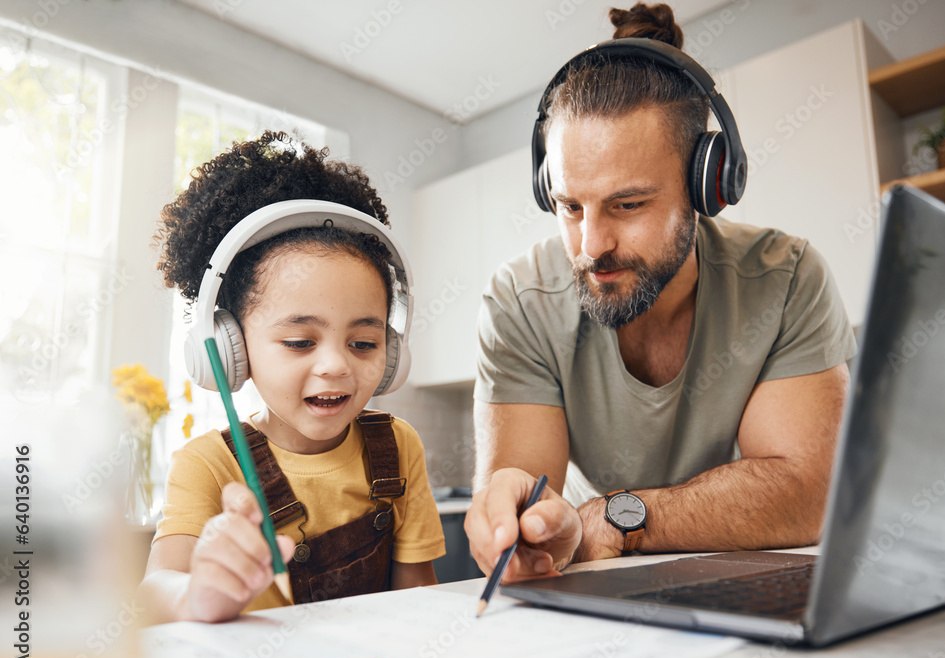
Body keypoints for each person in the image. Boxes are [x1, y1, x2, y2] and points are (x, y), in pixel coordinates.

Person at [465, 3, 856, 583]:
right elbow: (526, 502)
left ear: (706, 185)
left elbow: (809, 494)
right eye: (571, 207)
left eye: (628, 205)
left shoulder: (788, 278)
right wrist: (524, 533)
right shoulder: (519, 301)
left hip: (739, 570)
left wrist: (621, 517)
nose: (591, 246)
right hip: (591, 569)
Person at [138, 131, 445, 623]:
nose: (336, 365)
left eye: (364, 343)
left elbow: (418, 604)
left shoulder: (398, 448)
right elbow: (156, 589)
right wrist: (198, 591)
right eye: (301, 342)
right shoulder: (209, 465)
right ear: (231, 347)